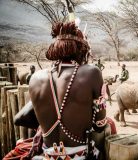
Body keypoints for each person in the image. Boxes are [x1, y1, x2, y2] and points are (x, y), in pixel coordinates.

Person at [4, 22, 116, 159]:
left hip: (47, 154)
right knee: (111, 124)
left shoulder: (36, 78)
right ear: (82, 50)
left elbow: (20, 118)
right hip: (81, 155)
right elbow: (100, 125)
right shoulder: (92, 72)